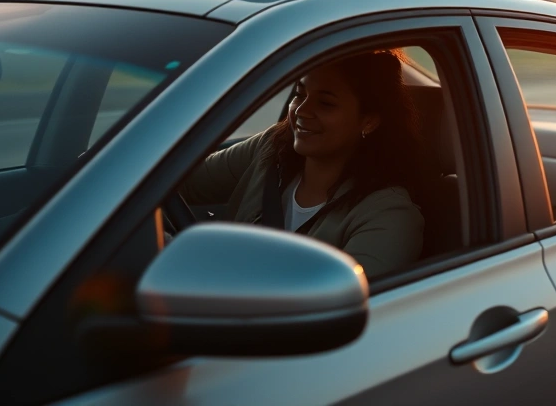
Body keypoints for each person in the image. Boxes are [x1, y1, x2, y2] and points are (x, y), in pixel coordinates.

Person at [180, 49, 425, 279]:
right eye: (299, 94)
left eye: (326, 103)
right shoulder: (271, 148)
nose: (302, 111)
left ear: (369, 121)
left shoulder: (389, 215)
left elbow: (339, 308)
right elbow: (175, 182)